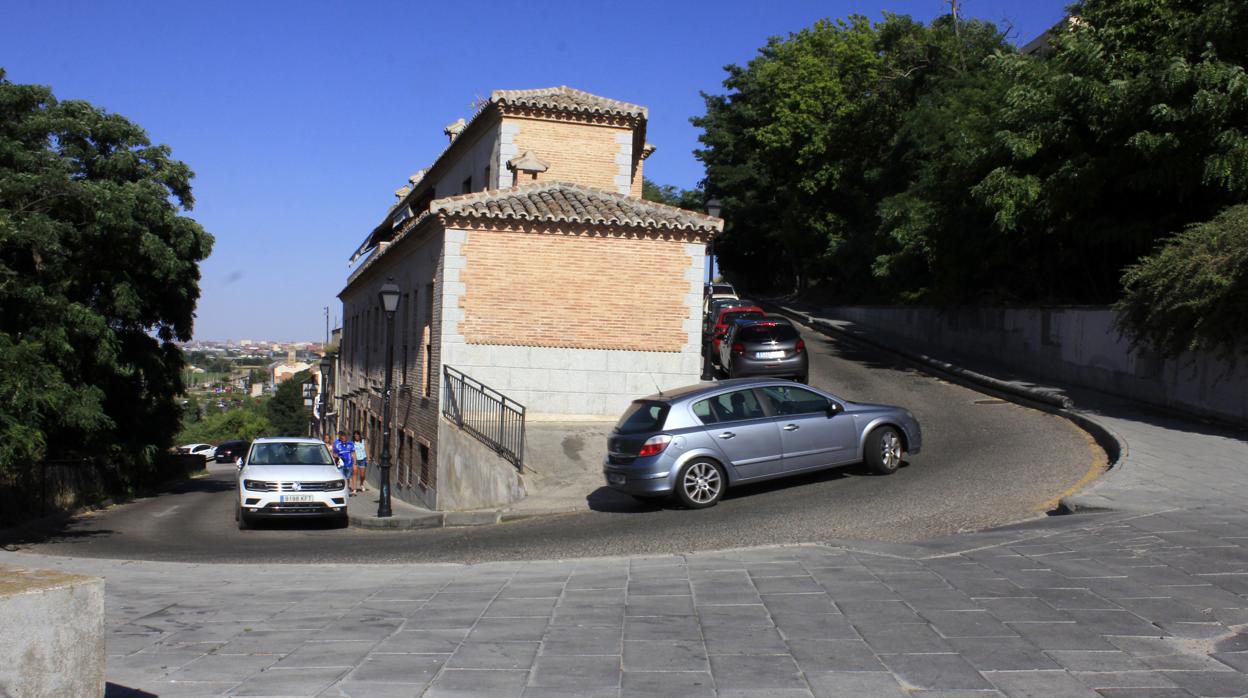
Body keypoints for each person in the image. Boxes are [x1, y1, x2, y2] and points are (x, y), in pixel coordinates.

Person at [352, 430, 369, 494]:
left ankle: (361, 484)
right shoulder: (352, 443)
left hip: (363, 459)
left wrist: (368, 457)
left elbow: (366, 449)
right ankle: (354, 489)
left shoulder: (364, 442)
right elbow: (352, 451)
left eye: (357, 435)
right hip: (355, 460)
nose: (356, 437)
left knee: (362, 475)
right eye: (355, 435)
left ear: (359, 435)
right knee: (355, 474)